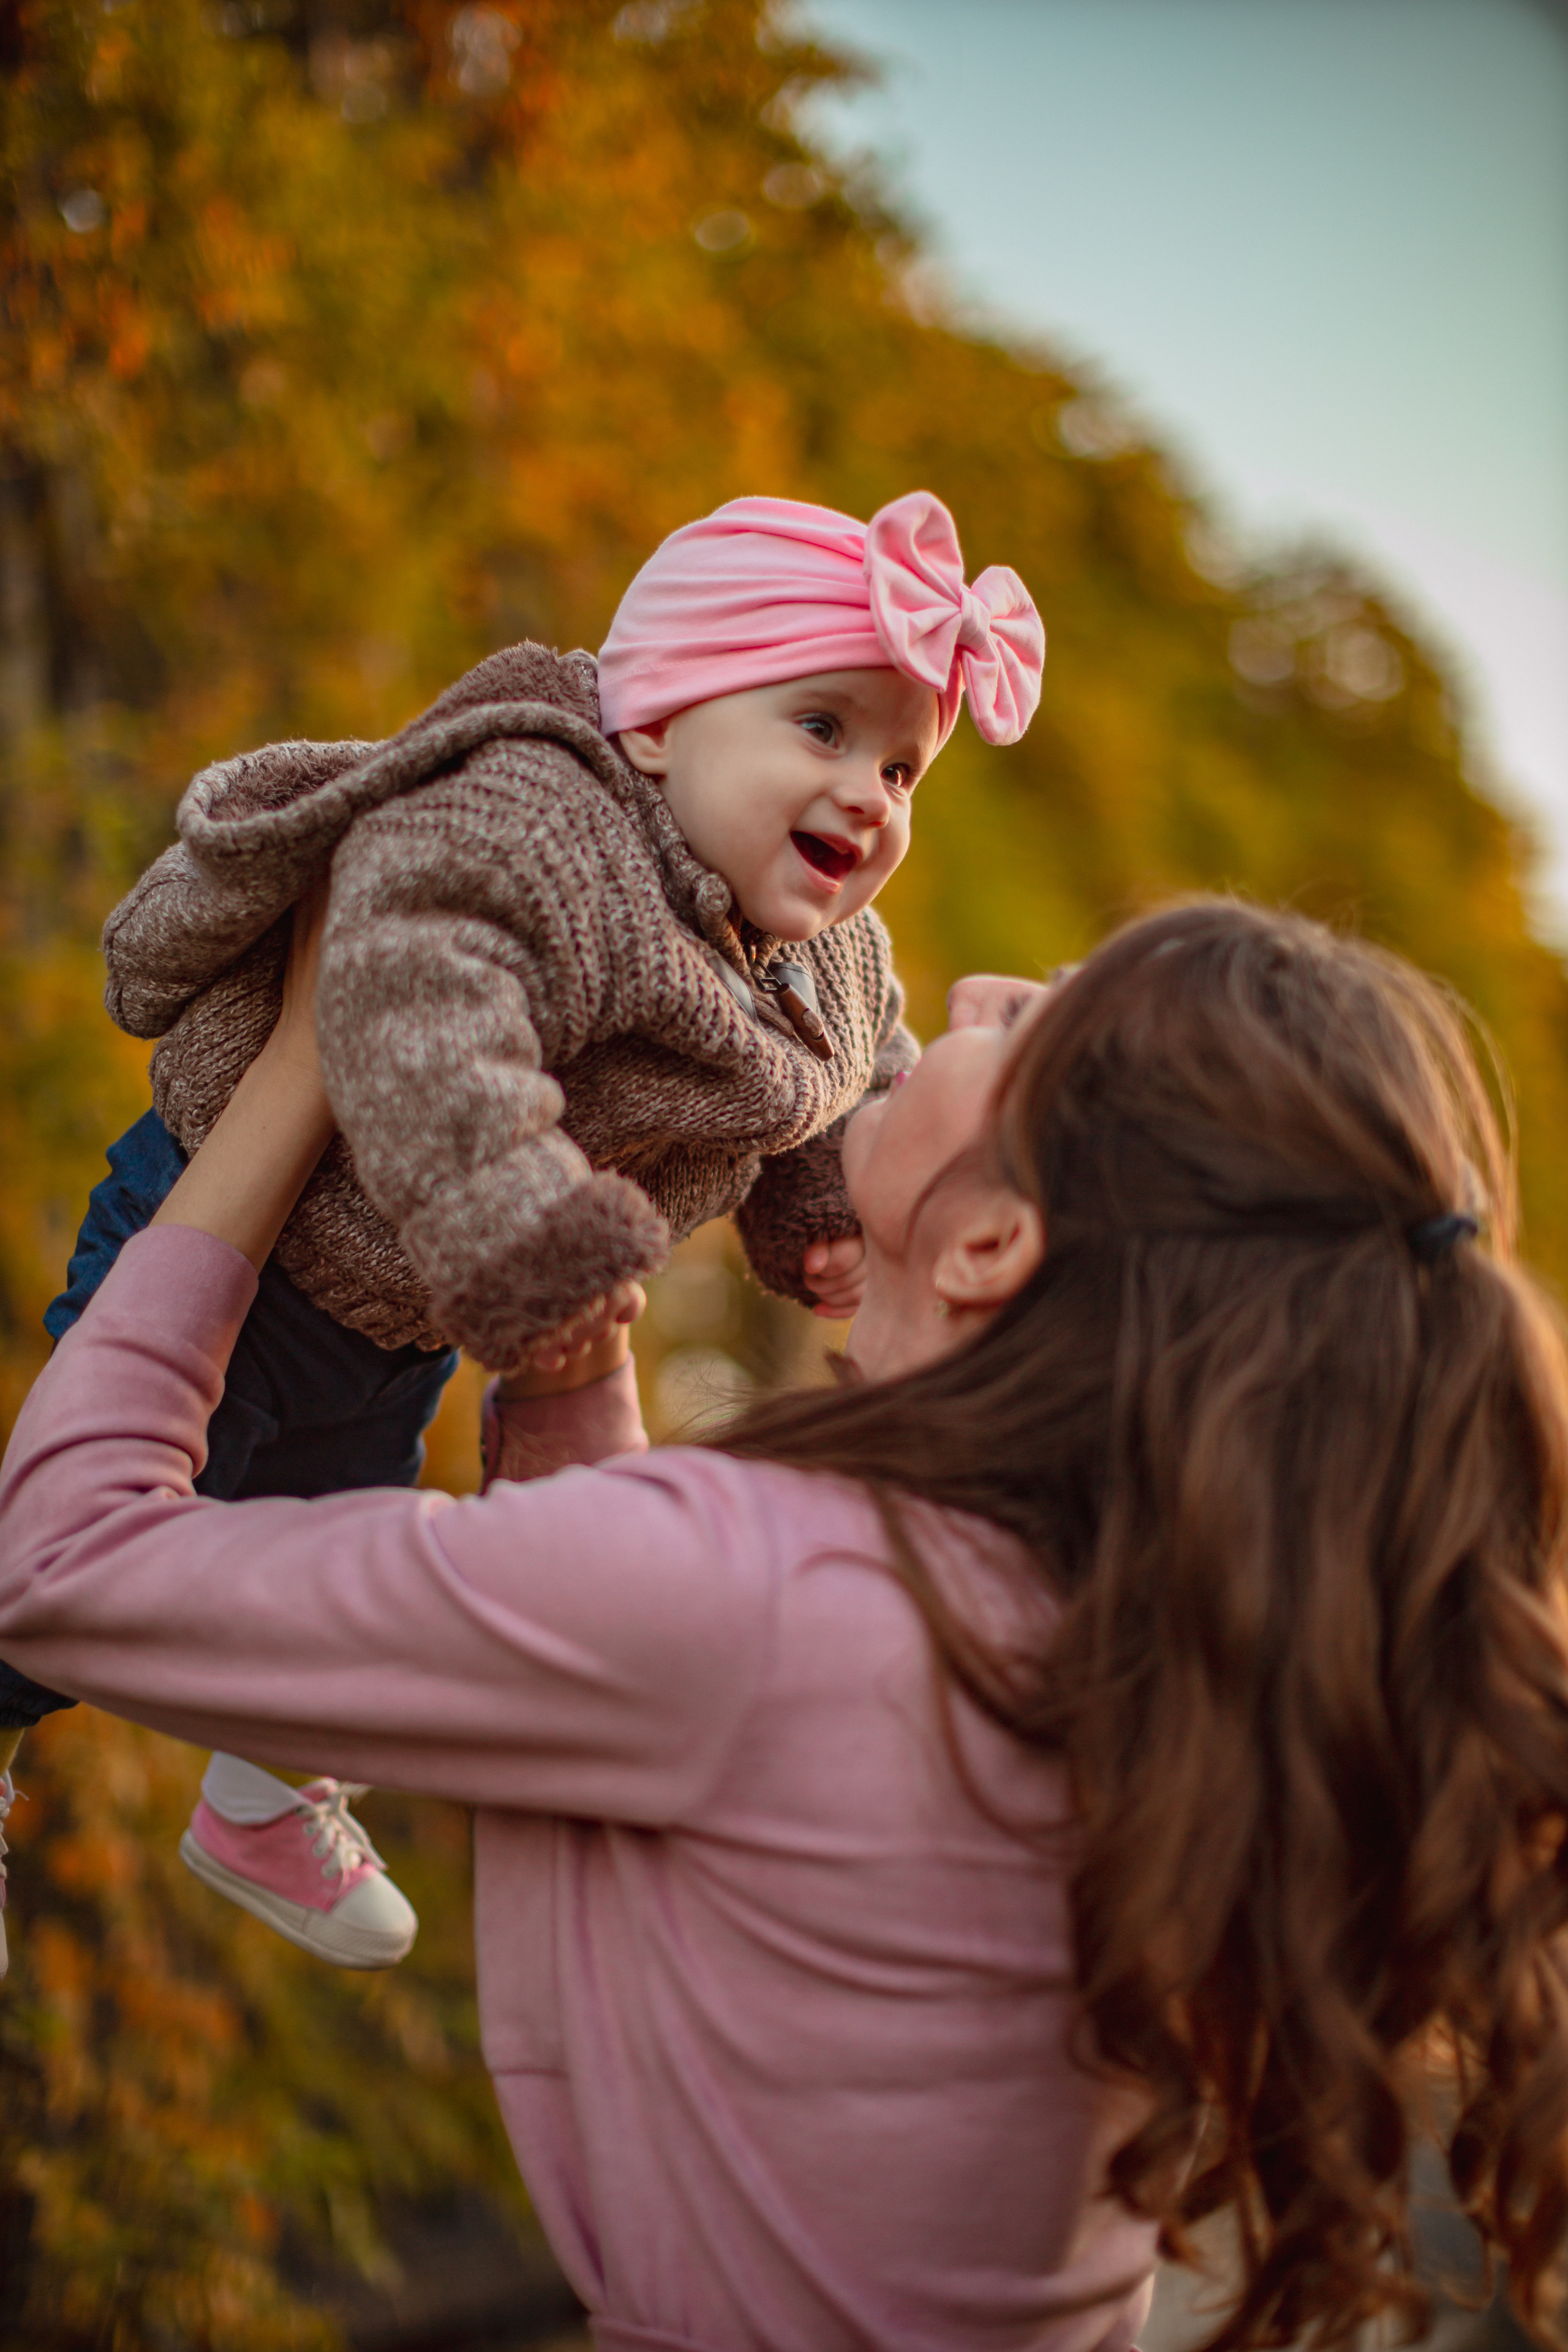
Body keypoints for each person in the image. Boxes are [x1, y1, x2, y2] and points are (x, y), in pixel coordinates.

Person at [6, 894, 1568, 2352]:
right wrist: (562, 1377)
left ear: (987, 1246)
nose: (966, 989)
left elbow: (62, 1563)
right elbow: (683, 1714)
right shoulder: (1124, 1623)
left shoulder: (773, 1591)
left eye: (1034, 1024)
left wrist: (299, 1067)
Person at [0, 489, 1045, 1969]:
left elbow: (842, 1082)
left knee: (330, 1546)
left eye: (899, 762)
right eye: (819, 729)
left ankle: (260, 1799)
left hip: (408, 1312)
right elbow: (422, 1004)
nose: (871, 794)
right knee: (127, 1531)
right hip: (254, 1228)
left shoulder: (831, 952)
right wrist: (517, 1234)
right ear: (661, 723)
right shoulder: (545, 820)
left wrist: (816, 1212)